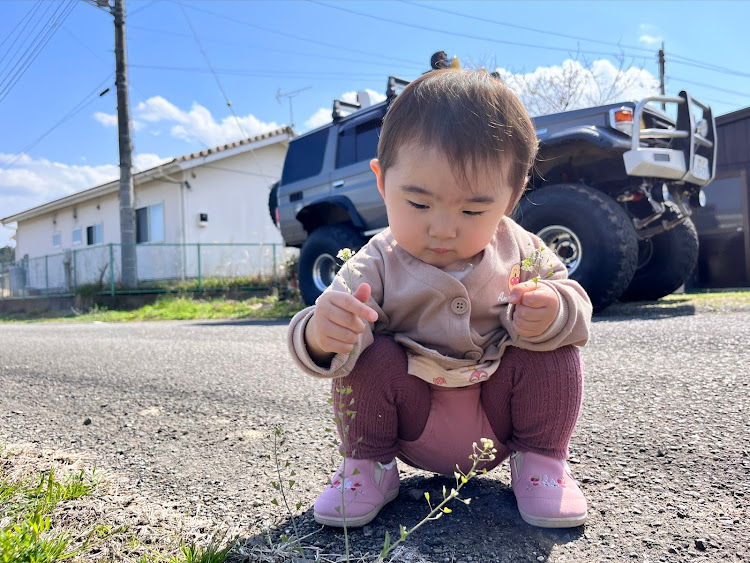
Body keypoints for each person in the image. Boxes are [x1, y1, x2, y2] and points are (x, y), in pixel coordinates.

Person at [287, 68, 593, 530]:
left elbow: (577, 304)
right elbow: (330, 321)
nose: (444, 228)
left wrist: (552, 310)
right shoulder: (377, 258)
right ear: (381, 181)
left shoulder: (522, 249)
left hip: (501, 418)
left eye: (473, 210)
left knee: (554, 351)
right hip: (413, 416)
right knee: (370, 356)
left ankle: (541, 462)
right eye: (419, 204)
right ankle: (368, 466)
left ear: (511, 196)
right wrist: (320, 332)